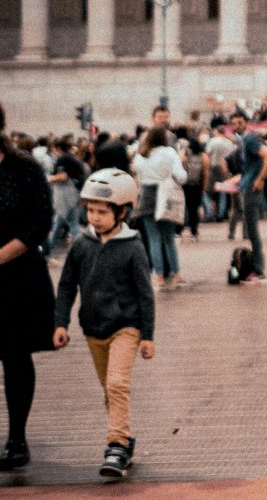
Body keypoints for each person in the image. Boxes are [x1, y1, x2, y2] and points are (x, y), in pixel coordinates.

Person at [53, 168, 154, 478]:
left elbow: (145, 294)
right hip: (93, 328)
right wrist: (60, 323)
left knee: (117, 384)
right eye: (91, 211)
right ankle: (125, 438)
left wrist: (148, 335)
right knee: (110, 390)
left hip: (126, 326)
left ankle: (116, 447)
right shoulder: (81, 244)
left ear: (121, 211)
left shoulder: (133, 246)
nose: (94, 218)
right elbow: (67, 285)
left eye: (102, 212)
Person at [0, 103, 56, 471]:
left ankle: (17, 439)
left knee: (15, 355)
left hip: (16, 278)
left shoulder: (25, 168)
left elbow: (40, 222)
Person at [132, 126, 187, 290]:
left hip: (147, 198)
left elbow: (138, 178)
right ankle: (176, 274)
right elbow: (181, 177)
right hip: (166, 196)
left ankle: (159, 277)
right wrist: (181, 162)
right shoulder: (170, 152)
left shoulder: (141, 154)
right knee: (169, 238)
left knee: (153, 239)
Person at [230, 112, 267, 284]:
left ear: (246, 123)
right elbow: (250, 167)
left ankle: (258, 270)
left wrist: (260, 179)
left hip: (251, 190)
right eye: (234, 123)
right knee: (250, 229)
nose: (237, 126)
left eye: (240, 122)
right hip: (247, 186)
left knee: (252, 231)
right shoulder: (243, 141)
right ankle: (256, 269)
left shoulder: (249, 139)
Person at [179, 137, 210, 241]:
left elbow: (181, 166)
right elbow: (206, 173)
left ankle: (179, 231)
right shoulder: (204, 156)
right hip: (197, 186)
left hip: (185, 185)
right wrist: (204, 187)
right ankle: (194, 232)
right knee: (194, 209)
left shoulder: (186, 155)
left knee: (183, 208)